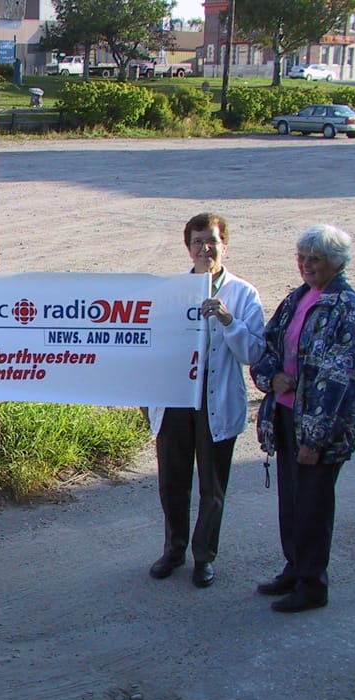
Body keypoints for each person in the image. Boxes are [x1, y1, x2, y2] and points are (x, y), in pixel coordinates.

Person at [251, 224, 355, 612]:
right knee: (291, 501)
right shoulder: (299, 298)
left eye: (315, 259)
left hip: (318, 429)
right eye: (301, 257)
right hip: (287, 416)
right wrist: (271, 377)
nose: (305, 265)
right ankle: (295, 568)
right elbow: (266, 345)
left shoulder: (348, 309)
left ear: (335, 263)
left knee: (313, 506)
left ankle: (312, 584)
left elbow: (343, 381)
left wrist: (315, 439)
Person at [147, 213, 266, 588]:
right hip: (176, 401)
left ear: (224, 245)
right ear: (188, 247)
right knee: (172, 482)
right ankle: (174, 549)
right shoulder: (172, 290)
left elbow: (255, 353)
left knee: (212, 488)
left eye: (212, 241)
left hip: (217, 403)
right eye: (198, 241)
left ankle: (204, 557)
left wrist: (230, 321)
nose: (205, 248)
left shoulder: (243, 294)